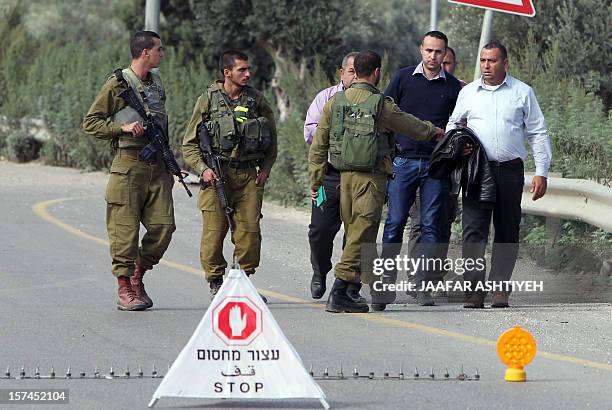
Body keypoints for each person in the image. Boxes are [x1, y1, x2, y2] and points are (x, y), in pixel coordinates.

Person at [309, 50, 444, 313]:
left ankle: (351, 290)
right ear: (376, 73)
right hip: (370, 181)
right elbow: (409, 125)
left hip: (341, 180)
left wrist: (315, 181)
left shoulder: (334, 102)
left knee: (361, 234)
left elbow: (318, 145)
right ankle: (339, 290)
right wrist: (434, 131)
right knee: (361, 234)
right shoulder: (379, 104)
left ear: (354, 71)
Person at [446, 41, 552, 308]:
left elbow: (537, 132)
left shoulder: (522, 92)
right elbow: (452, 125)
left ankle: (500, 290)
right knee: (473, 231)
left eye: (492, 61)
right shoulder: (468, 92)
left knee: (507, 230)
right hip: (476, 171)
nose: (486, 66)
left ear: (505, 63)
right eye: (483, 61)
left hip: (509, 170)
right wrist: (460, 141)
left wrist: (542, 171)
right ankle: (473, 291)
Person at [83, 31, 175, 311]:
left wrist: (170, 164)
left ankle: (138, 274)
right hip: (128, 163)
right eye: (159, 49)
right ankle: (125, 289)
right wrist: (120, 128)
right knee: (125, 231)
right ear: (145, 53)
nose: (163, 53)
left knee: (164, 227)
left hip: (156, 165)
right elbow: (91, 123)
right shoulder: (118, 84)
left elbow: (161, 125)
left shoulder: (157, 83)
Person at [182, 50, 277, 300]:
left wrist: (265, 170)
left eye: (248, 69)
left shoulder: (257, 100)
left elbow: (272, 141)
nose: (247, 74)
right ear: (227, 73)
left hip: (248, 177)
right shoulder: (208, 100)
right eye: (241, 70)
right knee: (214, 234)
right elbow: (189, 145)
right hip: (217, 177)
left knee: (249, 232)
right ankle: (216, 283)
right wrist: (203, 170)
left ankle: (242, 281)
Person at [378, 31, 463, 308]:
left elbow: (459, 124)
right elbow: (386, 113)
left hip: (436, 167)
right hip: (403, 162)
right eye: (428, 50)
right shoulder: (403, 78)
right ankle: (383, 286)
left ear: (445, 53)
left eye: (438, 52)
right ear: (421, 50)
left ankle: (423, 287)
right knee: (394, 223)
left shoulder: (453, 87)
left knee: (430, 226)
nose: (433, 56)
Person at [405, 44, 466, 299]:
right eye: (441, 59)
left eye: (448, 62)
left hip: (450, 171)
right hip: (423, 164)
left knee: (443, 223)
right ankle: (417, 277)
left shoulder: (462, 91)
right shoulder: (418, 85)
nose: (442, 64)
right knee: (420, 221)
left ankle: (434, 274)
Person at [304, 52, 358, 300]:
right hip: (329, 176)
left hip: (359, 176)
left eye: (359, 72)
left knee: (357, 232)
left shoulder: (374, 102)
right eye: (351, 71)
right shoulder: (326, 98)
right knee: (319, 230)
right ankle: (320, 270)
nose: (354, 77)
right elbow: (310, 132)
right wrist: (340, 135)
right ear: (342, 73)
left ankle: (348, 281)